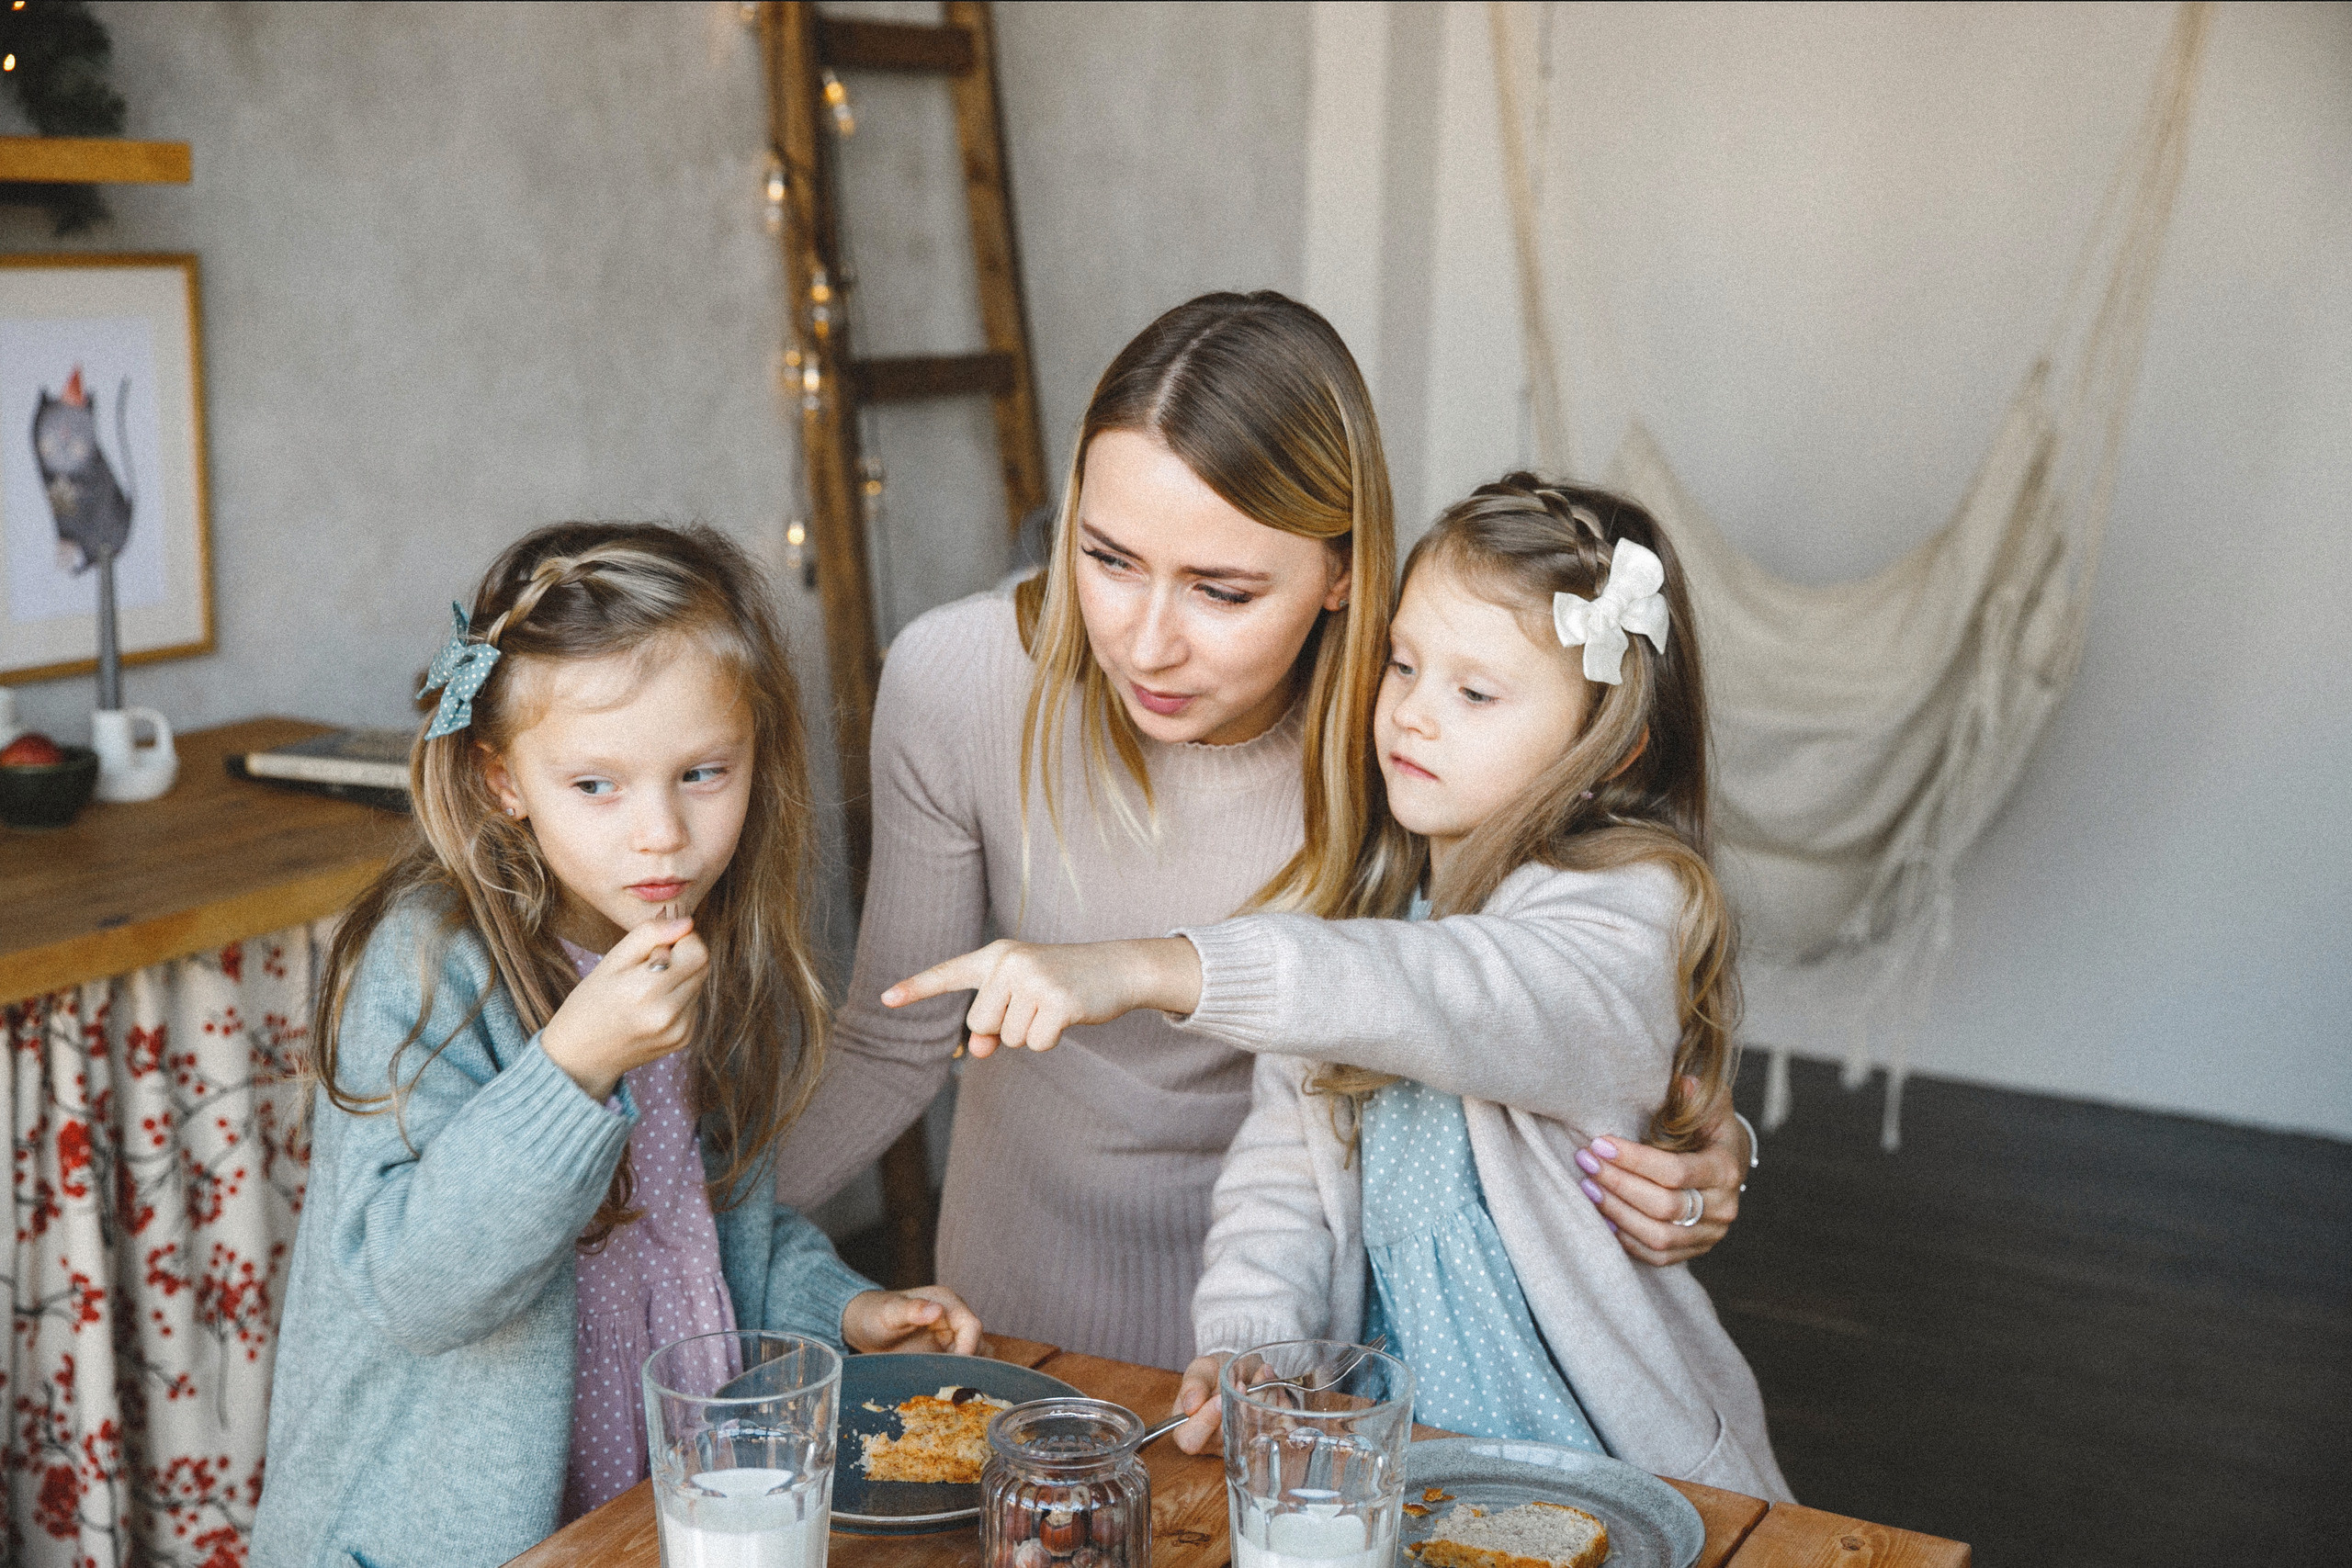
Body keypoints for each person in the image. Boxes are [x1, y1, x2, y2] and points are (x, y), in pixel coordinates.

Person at [771, 289, 1751, 1373]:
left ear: (1341, 575)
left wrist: (1702, 1145)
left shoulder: (1407, 725)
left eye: (1222, 592)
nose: (1146, 646)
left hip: (1309, 1339)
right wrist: (678, 1220)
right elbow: (888, 1038)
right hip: (1008, 1306)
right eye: (1106, 559)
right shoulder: (954, 681)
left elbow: (1529, 984)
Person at [889, 479, 1789, 1496]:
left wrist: (1149, 966)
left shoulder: (1626, 906)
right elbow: (1282, 1172)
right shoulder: (1375, 903)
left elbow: (1449, 994)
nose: (1411, 713)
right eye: (1402, 664)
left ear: (1609, 746)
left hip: (1596, 1459)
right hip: (1382, 1453)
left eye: (1475, 693)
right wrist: (1252, 1344)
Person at [252, 525, 982, 1568]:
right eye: (596, 786)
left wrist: (849, 1308)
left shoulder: (706, 947)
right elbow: (417, 1287)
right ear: (503, 780)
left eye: (701, 773)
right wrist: (569, 1069)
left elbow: (712, 1237)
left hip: (655, 1510)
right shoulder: (426, 967)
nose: (661, 835)